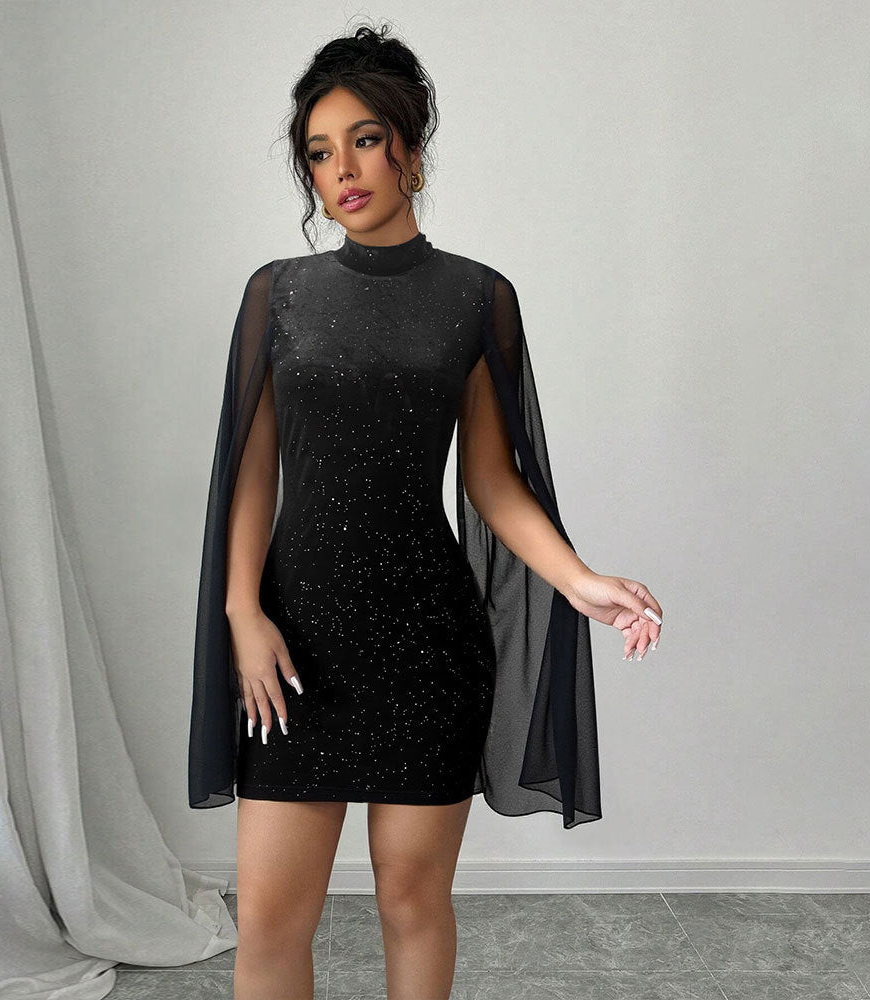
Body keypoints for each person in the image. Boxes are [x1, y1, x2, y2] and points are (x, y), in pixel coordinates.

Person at [188, 23, 663, 1000]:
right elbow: (250, 472)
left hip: (426, 642)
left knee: (412, 901)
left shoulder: (477, 297)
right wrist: (241, 611)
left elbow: (492, 479)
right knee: (271, 919)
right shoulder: (278, 295)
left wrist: (582, 582)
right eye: (319, 152)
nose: (342, 170)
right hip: (294, 640)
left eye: (364, 140)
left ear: (410, 145)